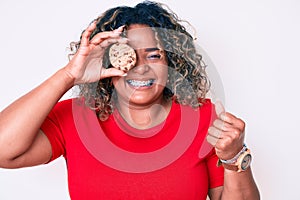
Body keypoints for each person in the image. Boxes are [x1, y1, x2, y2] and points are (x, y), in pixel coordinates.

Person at [0, 1, 260, 199]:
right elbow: (4, 151)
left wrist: (234, 158)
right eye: (127, 55)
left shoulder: (203, 117)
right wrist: (69, 76)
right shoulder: (75, 117)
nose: (140, 68)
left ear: (172, 63)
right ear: (105, 62)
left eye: (154, 56)